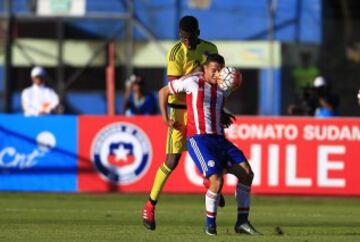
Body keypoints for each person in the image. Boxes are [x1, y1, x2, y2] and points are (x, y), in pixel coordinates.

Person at [142, 15, 232, 230]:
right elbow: (176, 85)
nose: (187, 42)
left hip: (203, 111)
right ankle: (149, 205)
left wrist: (221, 109)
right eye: (183, 38)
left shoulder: (210, 48)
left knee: (213, 153)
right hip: (180, 112)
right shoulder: (175, 53)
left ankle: (208, 182)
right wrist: (166, 118)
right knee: (171, 162)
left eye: (190, 38)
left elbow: (215, 83)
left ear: (198, 34)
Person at [158, 54, 261, 236]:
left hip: (220, 139)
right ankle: (210, 227)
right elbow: (163, 92)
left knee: (247, 174)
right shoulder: (192, 82)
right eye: (214, 70)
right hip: (199, 139)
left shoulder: (223, 87)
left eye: (220, 70)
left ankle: (242, 223)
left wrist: (222, 113)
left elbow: (215, 105)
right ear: (204, 69)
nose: (217, 74)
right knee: (217, 181)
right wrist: (166, 119)